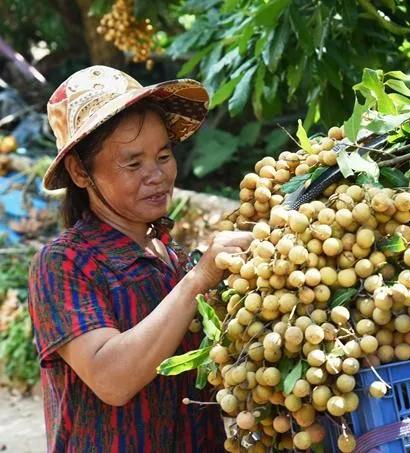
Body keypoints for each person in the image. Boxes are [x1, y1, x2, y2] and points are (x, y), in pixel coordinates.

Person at [27, 65, 252, 452]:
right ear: (81, 171)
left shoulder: (174, 259)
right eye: (133, 164)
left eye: (163, 156)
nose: (157, 175)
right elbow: (111, 379)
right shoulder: (63, 263)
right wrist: (197, 280)